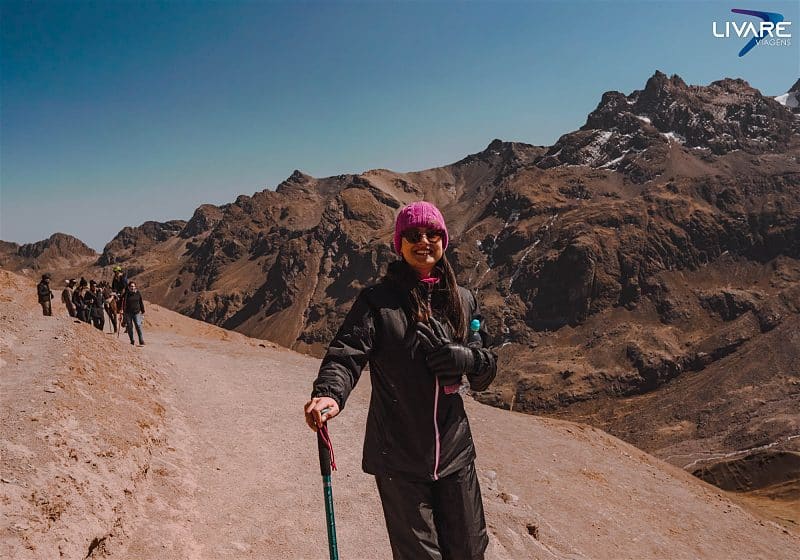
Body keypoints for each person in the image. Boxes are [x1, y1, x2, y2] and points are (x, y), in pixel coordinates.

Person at [304, 201, 497, 560]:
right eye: (413, 235)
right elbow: (347, 353)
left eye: (432, 233)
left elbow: (486, 368)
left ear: (444, 239)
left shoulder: (464, 300)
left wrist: (469, 358)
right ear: (400, 243)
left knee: (470, 551)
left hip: (456, 454)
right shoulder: (378, 303)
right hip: (399, 457)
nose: (424, 241)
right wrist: (329, 394)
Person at [122, 280, 145, 346]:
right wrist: (121, 310)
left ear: (135, 287)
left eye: (133, 286)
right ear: (129, 287)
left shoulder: (138, 293)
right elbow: (121, 300)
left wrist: (143, 311)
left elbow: (140, 302)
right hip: (128, 313)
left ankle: (141, 340)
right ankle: (132, 340)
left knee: (138, 325)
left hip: (136, 312)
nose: (132, 287)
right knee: (129, 327)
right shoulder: (126, 294)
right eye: (131, 286)